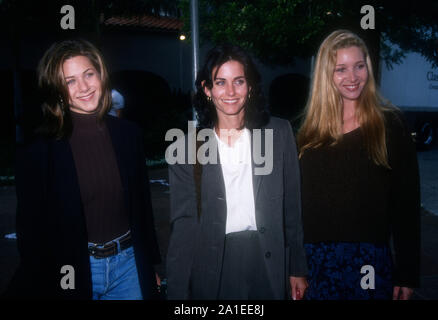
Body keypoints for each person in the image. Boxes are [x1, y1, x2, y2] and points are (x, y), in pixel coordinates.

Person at [5, 39, 161, 300]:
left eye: (89, 74)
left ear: (101, 74)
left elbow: (142, 209)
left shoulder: (129, 135)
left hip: (129, 268)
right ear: (57, 89)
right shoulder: (38, 152)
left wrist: (149, 267)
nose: (84, 87)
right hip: (72, 271)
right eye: (70, 81)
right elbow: (31, 234)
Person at [166, 44, 308, 300]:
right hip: (214, 266)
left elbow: (292, 209)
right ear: (207, 89)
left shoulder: (279, 134)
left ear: (250, 87)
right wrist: (176, 294)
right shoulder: (186, 148)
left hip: (268, 260)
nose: (230, 92)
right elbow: (183, 229)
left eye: (239, 81)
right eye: (220, 82)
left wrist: (298, 268)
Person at [297, 30, 421, 300]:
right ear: (326, 75)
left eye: (359, 66)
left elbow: (406, 207)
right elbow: (296, 210)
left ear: (368, 67)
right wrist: (295, 267)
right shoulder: (308, 136)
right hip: (316, 263)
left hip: (370, 263)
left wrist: (408, 273)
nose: (352, 77)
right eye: (341, 69)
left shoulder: (391, 126)